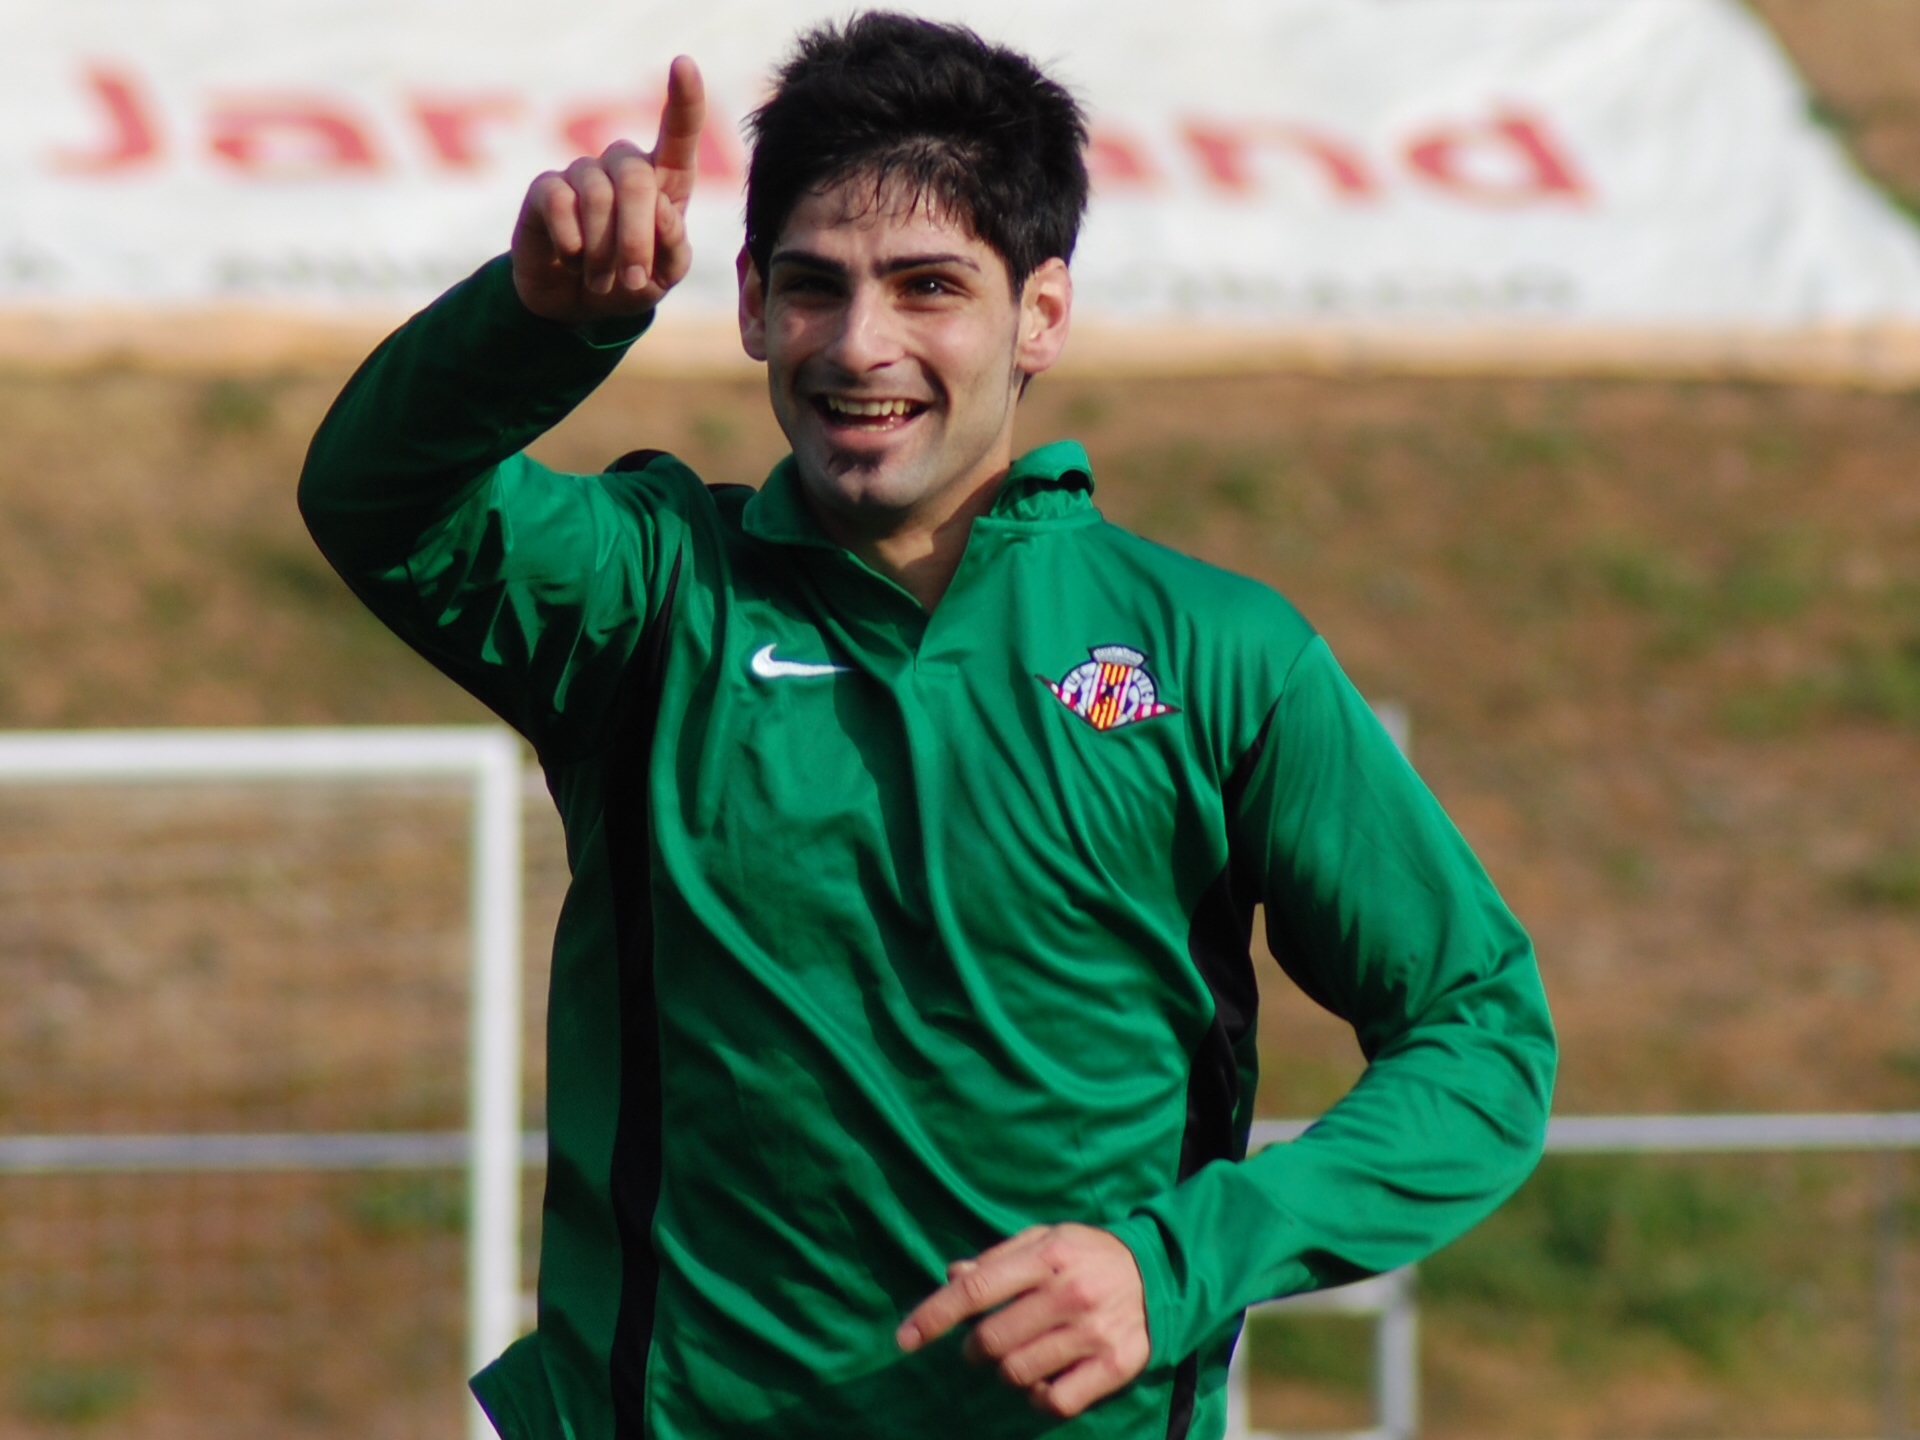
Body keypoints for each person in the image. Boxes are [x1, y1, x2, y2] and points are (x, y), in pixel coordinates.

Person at [299, 13, 1556, 1440]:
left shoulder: (1214, 653)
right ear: (752, 304)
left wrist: (1176, 1263)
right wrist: (536, 322)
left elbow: (1481, 1035)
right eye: (816, 287)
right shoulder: (649, 601)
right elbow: (374, 500)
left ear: (1044, 314)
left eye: (929, 285)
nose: (861, 344)